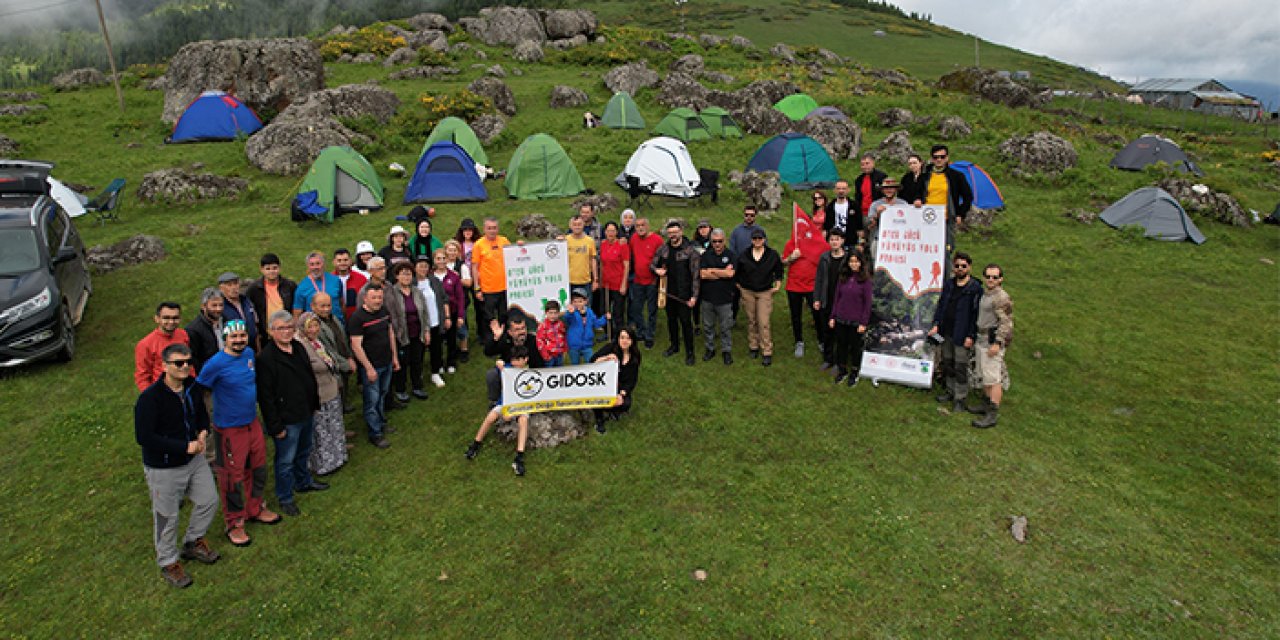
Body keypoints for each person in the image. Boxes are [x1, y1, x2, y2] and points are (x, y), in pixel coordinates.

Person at [134, 343, 219, 588]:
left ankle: (192, 542)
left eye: (188, 362)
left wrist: (202, 433)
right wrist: (183, 447)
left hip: (194, 459)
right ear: (164, 366)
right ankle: (168, 562)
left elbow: (201, 414)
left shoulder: (192, 387)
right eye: (178, 363)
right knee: (167, 516)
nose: (184, 367)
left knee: (209, 500)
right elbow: (145, 437)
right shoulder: (150, 399)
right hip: (164, 467)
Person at [195, 320, 281, 548]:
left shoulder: (249, 354)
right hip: (229, 428)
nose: (239, 340)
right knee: (231, 477)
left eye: (242, 335)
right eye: (234, 337)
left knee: (258, 468)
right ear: (225, 338)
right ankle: (234, 523)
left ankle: (255, 508)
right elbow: (198, 391)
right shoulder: (215, 364)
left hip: (251, 422)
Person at [256, 311, 323, 517]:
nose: (286, 332)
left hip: (305, 411)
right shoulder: (266, 359)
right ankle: (285, 496)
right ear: (271, 331)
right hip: (287, 420)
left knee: (304, 451)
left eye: (289, 328)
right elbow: (265, 397)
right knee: (285, 460)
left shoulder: (299, 347)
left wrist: (313, 404)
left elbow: (309, 377)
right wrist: (276, 426)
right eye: (281, 328)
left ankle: (303, 482)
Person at [463, 346, 532, 477]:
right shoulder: (507, 369)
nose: (514, 363)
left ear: (525, 360)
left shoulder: (530, 373)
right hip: (505, 402)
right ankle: (475, 444)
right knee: (490, 417)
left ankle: (519, 457)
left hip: (522, 405)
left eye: (518, 360)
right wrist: (499, 364)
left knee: (523, 421)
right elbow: (498, 366)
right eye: (513, 360)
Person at [348, 283, 399, 449]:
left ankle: (381, 422)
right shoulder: (357, 318)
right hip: (372, 366)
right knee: (372, 400)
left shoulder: (384, 312)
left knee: (382, 395)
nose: (377, 301)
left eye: (380, 297)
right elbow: (356, 346)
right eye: (374, 298)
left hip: (386, 362)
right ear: (365, 298)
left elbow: (390, 334)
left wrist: (394, 357)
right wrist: (368, 368)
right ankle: (375, 433)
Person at [929, 252, 982, 413]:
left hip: (962, 333)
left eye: (963, 266)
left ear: (969, 267)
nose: (960, 269)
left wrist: (971, 335)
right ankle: (950, 391)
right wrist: (937, 324)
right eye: (957, 266)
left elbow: (976, 314)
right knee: (948, 363)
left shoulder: (975, 288)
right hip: (946, 331)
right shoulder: (950, 284)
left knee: (960, 367)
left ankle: (960, 398)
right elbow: (941, 305)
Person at [297, 311, 348, 476]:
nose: (314, 329)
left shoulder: (318, 342)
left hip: (331, 389)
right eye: (310, 326)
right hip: (318, 394)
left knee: (334, 426)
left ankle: (338, 457)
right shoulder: (301, 345)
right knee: (321, 430)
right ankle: (323, 464)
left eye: (316, 325)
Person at [652, 220, 700, 366]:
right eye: (670, 233)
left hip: (684, 295)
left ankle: (690, 352)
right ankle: (674, 346)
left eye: (675, 232)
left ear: (681, 232)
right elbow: (652, 264)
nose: (672, 235)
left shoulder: (690, 251)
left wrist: (694, 296)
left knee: (686, 323)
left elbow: (696, 276)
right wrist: (657, 270)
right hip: (667, 293)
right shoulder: (663, 249)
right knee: (671, 321)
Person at [970, 264, 1013, 429]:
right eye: (988, 276)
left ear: (1001, 279)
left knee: (994, 378)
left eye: (995, 277)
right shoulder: (985, 294)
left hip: (991, 340)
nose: (991, 280)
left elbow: (1006, 323)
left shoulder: (1001, 298)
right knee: (984, 374)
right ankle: (985, 404)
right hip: (981, 337)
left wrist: (998, 343)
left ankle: (992, 413)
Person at [782, 211, 828, 358]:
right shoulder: (791, 243)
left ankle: (821, 340)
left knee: (817, 314)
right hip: (793, 286)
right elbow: (782, 263)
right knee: (796, 316)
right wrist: (791, 257)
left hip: (811, 286)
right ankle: (799, 341)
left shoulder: (818, 243)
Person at [735, 228, 783, 366]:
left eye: (760, 239)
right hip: (747, 291)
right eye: (755, 239)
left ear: (764, 239)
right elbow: (737, 273)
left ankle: (767, 351)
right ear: (751, 240)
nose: (757, 241)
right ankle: (753, 346)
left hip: (765, 292)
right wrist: (740, 287)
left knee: (764, 322)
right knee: (752, 320)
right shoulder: (744, 255)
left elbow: (779, 271)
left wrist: (778, 285)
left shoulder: (772, 254)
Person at [384, 262, 430, 403]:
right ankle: (400, 389)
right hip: (401, 334)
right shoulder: (391, 293)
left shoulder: (417, 291)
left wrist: (426, 331)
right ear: (397, 276)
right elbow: (390, 315)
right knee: (402, 363)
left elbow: (425, 313)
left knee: (417, 361)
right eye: (403, 273)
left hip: (417, 333)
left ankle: (417, 387)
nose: (406, 276)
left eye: (409, 273)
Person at [828, 250, 874, 386]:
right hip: (841, 318)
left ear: (861, 263)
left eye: (856, 261)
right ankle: (842, 370)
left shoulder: (866, 281)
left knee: (855, 347)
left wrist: (863, 322)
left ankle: (854, 372)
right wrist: (833, 316)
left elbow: (867, 303)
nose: (854, 264)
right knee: (841, 345)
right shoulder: (843, 277)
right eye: (851, 261)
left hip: (856, 321)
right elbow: (837, 298)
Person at [311, 292, 356, 415]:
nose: (326, 309)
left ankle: (343, 408)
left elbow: (343, 338)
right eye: (322, 306)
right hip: (333, 366)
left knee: (343, 391)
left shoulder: (333, 318)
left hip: (343, 359)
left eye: (329, 305)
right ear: (313, 306)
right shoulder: (314, 326)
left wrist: (350, 357)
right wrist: (346, 364)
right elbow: (327, 350)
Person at [923, 144, 974, 254]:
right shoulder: (924, 175)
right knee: (925, 250)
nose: (939, 160)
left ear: (947, 158)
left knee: (946, 251)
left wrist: (960, 214)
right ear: (931, 159)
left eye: (942, 157)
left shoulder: (956, 176)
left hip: (946, 219)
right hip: (925, 219)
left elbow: (968, 196)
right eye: (936, 157)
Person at [591, 326, 642, 433]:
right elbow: (592, 361)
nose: (624, 341)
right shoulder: (610, 347)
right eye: (622, 337)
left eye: (628, 338)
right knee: (598, 399)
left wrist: (621, 394)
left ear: (632, 340)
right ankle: (599, 420)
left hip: (619, 387)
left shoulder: (635, 357)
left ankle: (614, 412)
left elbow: (632, 380)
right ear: (618, 338)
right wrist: (606, 358)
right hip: (603, 384)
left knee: (625, 403)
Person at [471, 217, 512, 344]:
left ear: (498, 229)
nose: (492, 231)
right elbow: (474, 267)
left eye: (494, 228)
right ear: (484, 229)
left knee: (504, 315)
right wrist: (477, 288)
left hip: (504, 287)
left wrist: (521, 245)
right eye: (489, 228)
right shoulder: (479, 244)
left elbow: (515, 255)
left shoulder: (504, 240)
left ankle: (504, 339)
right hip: (488, 288)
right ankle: (489, 341)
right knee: (488, 317)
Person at [812, 228, 848, 371]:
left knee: (841, 333)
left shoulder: (848, 259)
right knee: (827, 331)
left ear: (842, 241)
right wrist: (817, 298)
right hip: (827, 299)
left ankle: (840, 362)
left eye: (837, 239)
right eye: (832, 239)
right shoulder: (824, 258)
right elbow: (819, 279)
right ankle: (828, 359)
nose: (834, 242)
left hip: (843, 302)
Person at [698, 228, 735, 365]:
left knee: (725, 327)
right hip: (708, 297)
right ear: (711, 242)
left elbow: (730, 274)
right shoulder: (706, 256)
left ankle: (726, 351)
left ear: (724, 241)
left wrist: (712, 271)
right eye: (714, 241)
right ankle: (710, 348)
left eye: (720, 241)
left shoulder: (731, 255)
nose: (717, 244)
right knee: (708, 326)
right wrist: (722, 272)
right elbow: (702, 274)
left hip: (725, 298)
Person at [135, 301, 189, 391]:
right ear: (157, 319)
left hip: (185, 389)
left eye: (175, 318)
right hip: (162, 392)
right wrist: (151, 398)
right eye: (166, 318)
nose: (171, 322)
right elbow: (142, 377)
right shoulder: (145, 344)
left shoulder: (183, 335)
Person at [413, 256, 450, 388]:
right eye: (420, 266)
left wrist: (447, 317)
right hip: (419, 324)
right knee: (419, 350)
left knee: (436, 348)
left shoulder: (434, 281)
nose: (423, 269)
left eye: (425, 266)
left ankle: (435, 372)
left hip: (435, 321)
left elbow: (444, 299)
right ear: (415, 267)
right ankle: (418, 374)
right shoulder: (412, 284)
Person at [627, 217, 663, 349]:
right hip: (637, 280)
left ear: (648, 226)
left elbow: (663, 257)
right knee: (636, 308)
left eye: (642, 225)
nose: (640, 228)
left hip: (652, 281)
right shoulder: (634, 238)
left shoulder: (657, 240)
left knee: (652, 310)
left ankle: (650, 335)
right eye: (637, 226)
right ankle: (641, 331)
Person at [246, 253, 296, 346]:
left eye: (274, 268)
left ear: (279, 268)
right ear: (262, 269)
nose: (272, 271)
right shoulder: (254, 289)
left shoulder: (289, 286)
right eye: (268, 269)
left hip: (286, 330)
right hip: (266, 334)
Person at [431, 247, 464, 375]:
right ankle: (438, 364)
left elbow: (460, 297)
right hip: (435, 314)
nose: (441, 261)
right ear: (434, 260)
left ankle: (451, 362)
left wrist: (461, 315)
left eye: (444, 258)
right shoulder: (430, 276)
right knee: (437, 341)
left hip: (453, 311)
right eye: (438, 258)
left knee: (451, 339)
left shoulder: (453, 276)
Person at [293, 251, 345, 322]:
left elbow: (341, 303)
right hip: (314, 327)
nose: (315, 267)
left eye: (318, 263)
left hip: (336, 323)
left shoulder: (335, 280)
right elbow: (297, 313)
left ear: (323, 264)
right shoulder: (302, 287)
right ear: (308, 266)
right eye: (312, 264)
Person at [444, 239, 474, 362]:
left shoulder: (462, 266)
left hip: (460, 301)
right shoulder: (442, 265)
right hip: (445, 302)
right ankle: (451, 348)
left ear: (458, 252)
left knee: (461, 325)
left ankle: (464, 349)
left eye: (454, 250)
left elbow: (469, 282)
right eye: (449, 250)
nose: (451, 253)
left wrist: (457, 278)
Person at [598, 221, 630, 331]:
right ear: (605, 232)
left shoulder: (622, 245)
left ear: (617, 232)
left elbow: (626, 265)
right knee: (604, 310)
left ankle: (620, 334)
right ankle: (608, 332)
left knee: (618, 312)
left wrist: (623, 284)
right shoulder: (603, 244)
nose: (610, 233)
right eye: (608, 231)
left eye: (613, 231)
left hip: (618, 283)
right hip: (606, 283)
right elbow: (602, 263)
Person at [866, 177, 908, 258]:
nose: (889, 190)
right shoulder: (875, 204)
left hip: (899, 240)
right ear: (882, 190)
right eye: (886, 188)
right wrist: (877, 214)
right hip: (880, 238)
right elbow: (870, 226)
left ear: (896, 190)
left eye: (891, 188)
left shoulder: (903, 204)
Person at [217, 271, 259, 351]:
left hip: (251, 348)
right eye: (229, 285)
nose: (233, 287)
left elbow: (255, 326)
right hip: (234, 351)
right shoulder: (221, 307)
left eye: (235, 283)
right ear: (221, 288)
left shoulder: (247, 301)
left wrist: (258, 349)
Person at [186, 288, 225, 372]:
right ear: (203, 306)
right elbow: (193, 359)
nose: (218, 309)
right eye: (214, 305)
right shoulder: (193, 330)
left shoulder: (226, 321)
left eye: (221, 305)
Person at [565, 290, 607, 365]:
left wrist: (605, 318)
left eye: (580, 301)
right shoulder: (571, 313)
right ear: (572, 302)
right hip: (574, 344)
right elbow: (567, 318)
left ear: (586, 302)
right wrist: (570, 313)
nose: (577, 304)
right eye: (575, 302)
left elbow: (596, 323)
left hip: (587, 344)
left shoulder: (590, 312)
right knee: (575, 364)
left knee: (591, 362)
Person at [852, 154, 888, 235]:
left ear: (873, 163)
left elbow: (886, 195)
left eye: (867, 163)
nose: (865, 166)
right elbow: (857, 197)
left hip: (877, 213)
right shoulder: (859, 179)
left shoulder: (881, 177)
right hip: (863, 214)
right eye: (862, 164)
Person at [566, 213, 598, 301]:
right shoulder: (565, 240)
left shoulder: (590, 241)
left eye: (579, 224)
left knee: (585, 309)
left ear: (583, 225)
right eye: (574, 224)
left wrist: (595, 279)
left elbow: (593, 260)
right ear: (570, 226)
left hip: (585, 281)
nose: (577, 227)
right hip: (569, 281)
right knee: (570, 310)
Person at [332, 248, 367, 321]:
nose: (342, 263)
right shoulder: (329, 280)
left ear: (350, 261)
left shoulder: (361, 279)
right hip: (335, 319)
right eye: (339, 261)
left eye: (345, 260)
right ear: (334, 262)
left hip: (357, 318)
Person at [535, 300, 567, 367]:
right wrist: (546, 356)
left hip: (559, 354)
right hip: (549, 355)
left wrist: (564, 350)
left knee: (559, 372)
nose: (553, 315)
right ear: (546, 313)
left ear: (558, 313)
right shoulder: (543, 326)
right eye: (550, 313)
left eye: (555, 313)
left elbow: (564, 337)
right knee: (550, 373)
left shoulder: (560, 324)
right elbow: (540, 342)